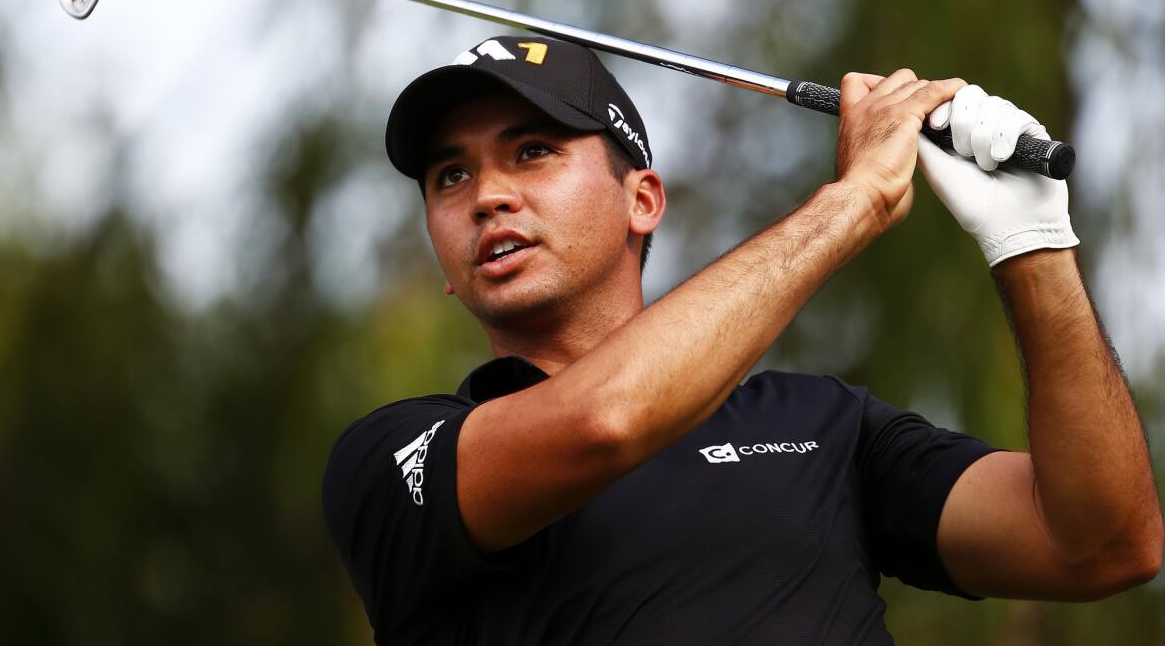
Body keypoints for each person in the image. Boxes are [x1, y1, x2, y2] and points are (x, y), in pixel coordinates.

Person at [322, 35, 1162, 644]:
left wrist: (1031, 247)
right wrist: (856, 198)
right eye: (451, 175)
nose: (487, 197)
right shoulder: (397, 455)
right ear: (440, 252)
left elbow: (1103, 545)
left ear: (642, 200)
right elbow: (605, 419)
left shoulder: (828, 426)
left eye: (533, 151)